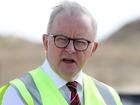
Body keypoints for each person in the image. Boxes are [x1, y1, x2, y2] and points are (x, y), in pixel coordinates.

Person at [0, 1, 122, 105]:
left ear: (93, 49)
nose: (70, 49)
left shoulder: (109, 98)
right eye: (62, 39)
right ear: (46, 42)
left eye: (80, 42)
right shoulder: (18, 94)